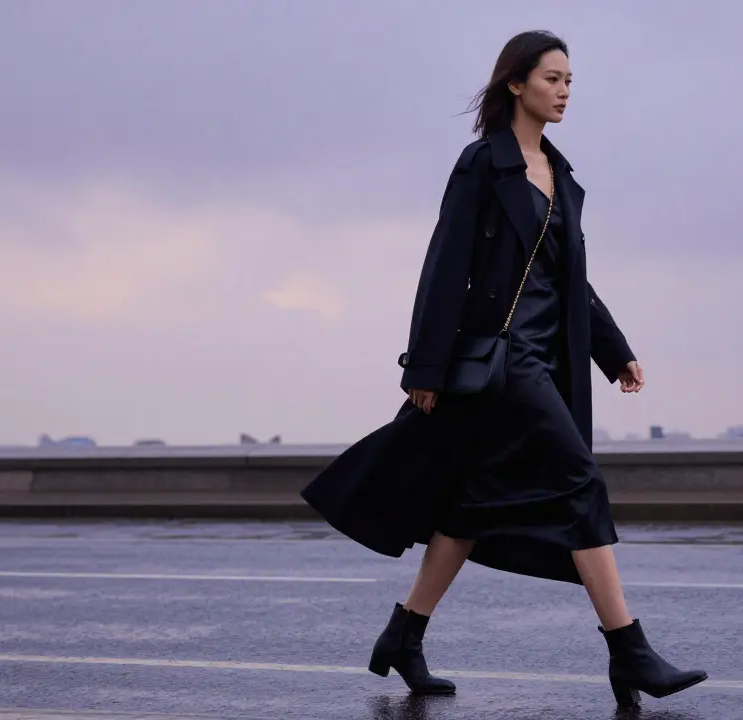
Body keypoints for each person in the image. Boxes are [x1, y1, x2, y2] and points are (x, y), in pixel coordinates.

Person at [300, 30, 706, 709]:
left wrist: (615, 349)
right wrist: (423, 368)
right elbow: (445, 267)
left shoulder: (562, 176)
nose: (565, 91)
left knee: (471, 505)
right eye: (552, 78)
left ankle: (403, 635)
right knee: (578, 480)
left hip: (548, 359)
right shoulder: (482, 166)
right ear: (516, 84)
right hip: (503, 359)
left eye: (571, 80)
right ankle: (629, 650)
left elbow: (573, 280)